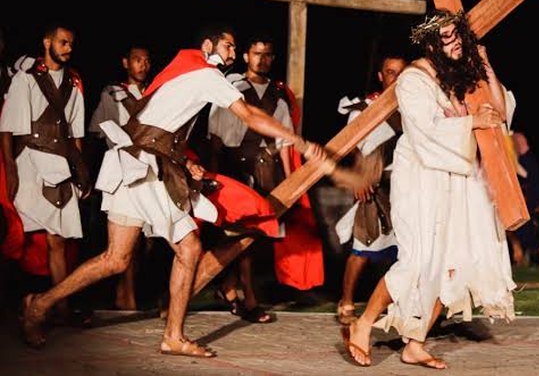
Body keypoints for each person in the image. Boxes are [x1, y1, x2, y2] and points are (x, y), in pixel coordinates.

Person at [18, 24, 325, 357]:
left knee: (117, 259)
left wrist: (185, 161)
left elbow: (165, 126)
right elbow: (249, 114)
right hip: (141, 165)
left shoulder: (188, 71)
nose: (233, 54)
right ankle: (163, 334)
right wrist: (300, 142)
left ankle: (42, 305)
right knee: (173, 251)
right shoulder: (206, 75)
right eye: (228, 47)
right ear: (208, 45)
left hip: (140, 163)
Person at [343, 9, 516, 369]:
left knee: (450, 263)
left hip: (454, 181)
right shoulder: (414, 79)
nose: (454, 44)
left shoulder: (461, 77)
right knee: (418, 260)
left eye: (458, 36)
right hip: (420, 177)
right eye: (446, 38)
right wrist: (470, 122)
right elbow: (425, 132)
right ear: (431, 42)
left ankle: (415, 343)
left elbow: (500, 111)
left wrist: (485, 65)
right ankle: (361, 324)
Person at [0, 23, 90, 324]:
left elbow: (76, 133)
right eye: (63, 42)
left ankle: (58, 307)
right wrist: (11, 169)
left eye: (71, 43)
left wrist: (81, 169)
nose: (68, 48)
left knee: (58, 240)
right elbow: (8, 128)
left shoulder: (73, 82)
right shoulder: (25, 79)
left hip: (61, 164)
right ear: (47, 42)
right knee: (17, 237)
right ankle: (18, 301)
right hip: (29, 163)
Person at [207, 33, 295, 324]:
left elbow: (284, 141)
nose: (263, 59)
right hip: (234, 168)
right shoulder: (230, 88)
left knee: (256, 237)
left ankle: (231, 289)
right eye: (257, 53)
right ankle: (247, 297)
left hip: (266, 169)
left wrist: (290, 182)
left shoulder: (278, 96)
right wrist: (214, 174)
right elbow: (216, 136)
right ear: (246, 56)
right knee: (238, 233)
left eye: (268, 54)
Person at [334, 54, 407, 325]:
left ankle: (396, 302)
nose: (396, 78)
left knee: (404, 250)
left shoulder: (413, 107)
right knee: (363, 245)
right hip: (372, 186)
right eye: (390, 72)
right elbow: (352, 146)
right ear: (381, 75)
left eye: (401, 73)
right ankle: (346, 301)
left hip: (403, 187)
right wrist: (358, 179)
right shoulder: (364, 108)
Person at [87, 44, 151, 310]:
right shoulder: (112, 94)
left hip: (149, 168)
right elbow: (96, 131)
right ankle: (126, 295)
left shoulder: (155, 92)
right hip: (123, 169)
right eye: (137, 60)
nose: (143, 65)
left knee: (147, 241)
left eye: (147, 60)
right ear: (126, 62)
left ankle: (128, 291)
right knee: (125, 240)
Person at [507, 131, 539, 266]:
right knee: (510, 223)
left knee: (519, 222)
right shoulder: (525, 159)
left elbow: (525, 176)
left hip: (530, 197)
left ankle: (537, 249)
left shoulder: (526, 160)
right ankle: (517, 250)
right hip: (524, 196)